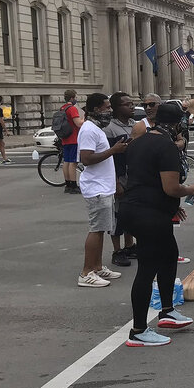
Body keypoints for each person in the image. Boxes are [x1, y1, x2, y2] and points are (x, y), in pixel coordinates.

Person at [121, 102, 194, 346]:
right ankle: (138, 331)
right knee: (147, 270)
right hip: (148, 213)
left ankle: (167, 311)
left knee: (170, 254)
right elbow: (171, 187)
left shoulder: (138, 142)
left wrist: (171, 206)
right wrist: (191, 190)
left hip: (137, 207)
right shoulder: (166, 146)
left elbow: (146, 178)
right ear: (178, 123)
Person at [76, 93, 127, 288]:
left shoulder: (96, 129)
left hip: (103, 186)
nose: (110, 111)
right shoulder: (89, 130)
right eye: (106, 107)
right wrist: (114, 150)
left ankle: (97, 267)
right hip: (96, 187)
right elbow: (86, 158)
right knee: (96, 229)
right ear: (96, 109)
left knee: (103, 228)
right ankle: (86, 272)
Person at [103, 92, 138, 268]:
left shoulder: (136, 125)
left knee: (131, 213)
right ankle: (117, 250)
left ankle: (130, 245)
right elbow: (110, 158)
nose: (131, 106)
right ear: (116, 108)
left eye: (132, 103)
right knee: (117, 214)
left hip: (134, 176)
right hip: (119, 176)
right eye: (127, 104)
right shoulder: (109, 129)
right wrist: (115, 182)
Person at [60, 89, 83, 194]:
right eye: (75, 97)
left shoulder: (62, 108)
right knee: (73, 162)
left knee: (66, 161)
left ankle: (68, 184)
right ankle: (74, 185)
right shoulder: (72, 108)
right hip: (73, 138)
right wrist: (85, 119)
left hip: (65, 138)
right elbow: (78, 123)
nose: (76, 99)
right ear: (72, 98)